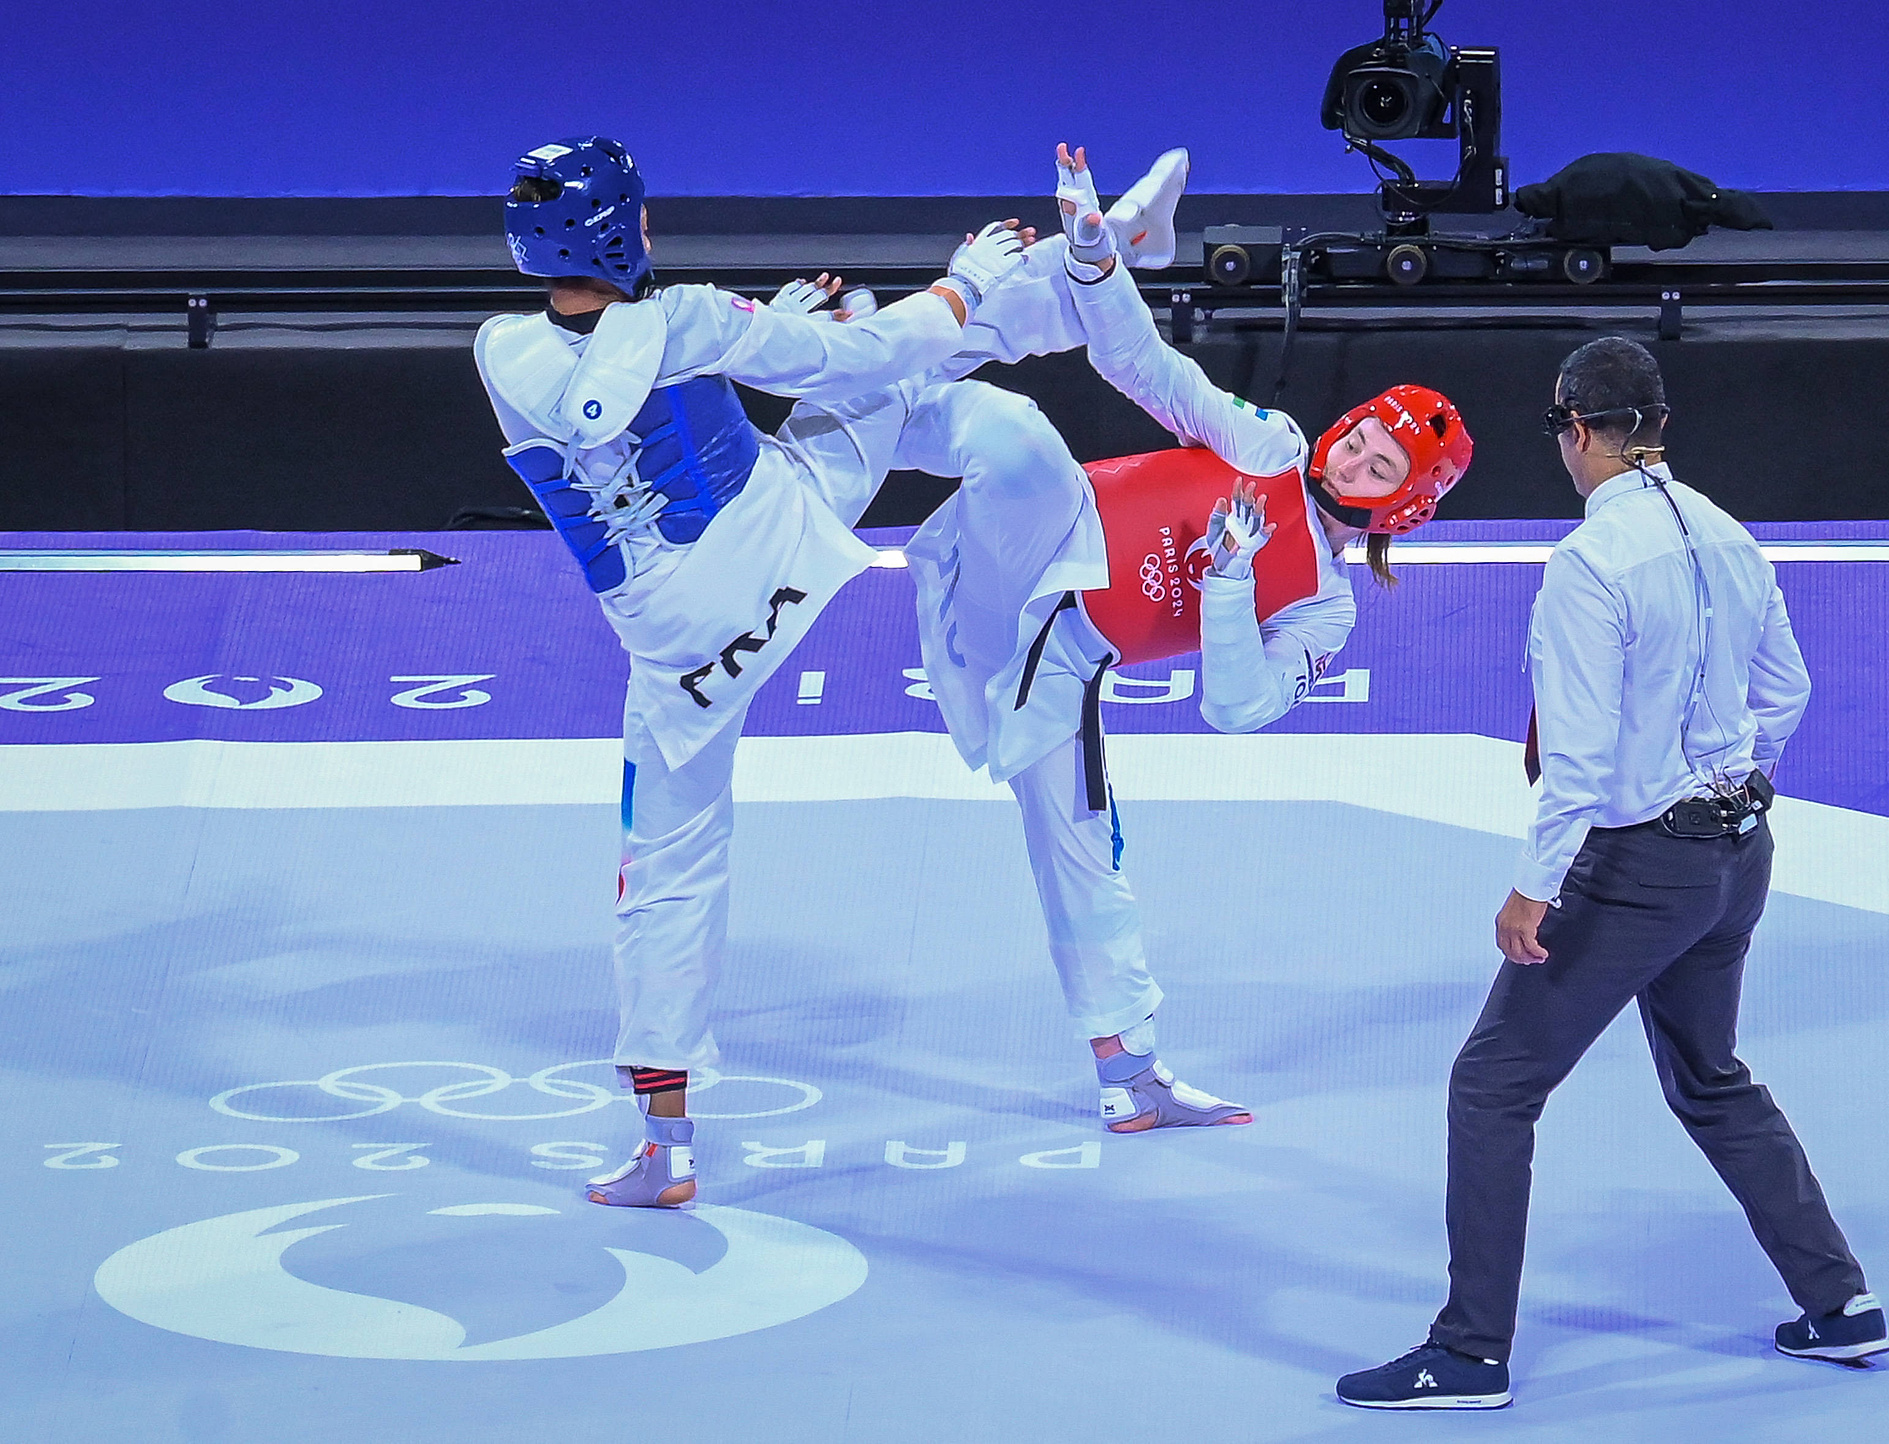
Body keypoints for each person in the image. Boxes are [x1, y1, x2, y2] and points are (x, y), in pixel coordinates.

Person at [473, 136, 1033, 1208]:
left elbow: (607, 393)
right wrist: (958, 286)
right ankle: (1023, 291)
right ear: (615, 229)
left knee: (663, 871)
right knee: (875, 369)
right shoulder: (687, 315)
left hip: (673, 641)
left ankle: (665, 1148)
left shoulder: (500, 350)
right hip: (782, 550)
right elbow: (857, 358)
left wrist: (754, 325)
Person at [1336, 337, 1885, 1411]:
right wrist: (1736, 779)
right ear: (1655, 426)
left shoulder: (1588, 566)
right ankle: (1838, 1304)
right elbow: (1790, 688)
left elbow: (1580, 760)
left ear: (1577, 429)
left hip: (1640, 869)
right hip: (1737, 855)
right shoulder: (1727, 534)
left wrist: (1533, 886)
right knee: (1709, 1075)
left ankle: (1469, 1352)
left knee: (1492, 1085)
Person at [878, 144, 1473, 1131]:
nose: (1355, 452)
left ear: (1400, 507)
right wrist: (1096, 271)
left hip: (1050, 658)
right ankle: (1080, 267)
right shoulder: (1271, 443)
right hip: (1036, 535)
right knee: (1008, 426)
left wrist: (1233, 585)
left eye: (1379, 464)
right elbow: (1146, 368)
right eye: (1363, 433)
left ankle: (1132, 1077)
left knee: (1084, 857)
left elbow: (1234, 707)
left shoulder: (1327, 610)